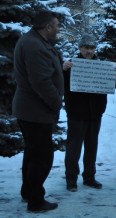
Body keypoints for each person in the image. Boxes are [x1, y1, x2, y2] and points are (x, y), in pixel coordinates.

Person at [12, 10, 63, 212]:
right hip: (35, 111)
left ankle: (28, 192)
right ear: (48, 27)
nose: (59, 29)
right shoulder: (34, 46)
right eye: (57, 26)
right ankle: (36, 200)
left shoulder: (35, 41)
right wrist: (56, 103)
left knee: (33, 154)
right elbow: (41, 82)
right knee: (42, 157)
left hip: (32, 110)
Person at [63, 34, 116, 192]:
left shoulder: (101, 66)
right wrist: (63, 70)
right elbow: (61, 83)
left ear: (95, 49)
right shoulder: (71, 65)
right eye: (86, 47)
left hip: (95, 113)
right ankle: (71, 178)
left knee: (92, 147)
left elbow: (111, 84)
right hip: (76, 114)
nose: (89, 51)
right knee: (73, 148)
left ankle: (89, 177)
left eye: (91, 48)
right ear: (80, 48)